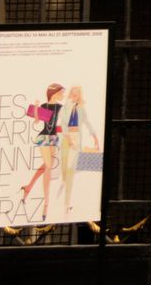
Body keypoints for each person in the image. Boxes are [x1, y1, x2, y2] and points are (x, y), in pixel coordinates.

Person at [19, 84, 64, 219]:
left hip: (54, 138)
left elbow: (62, 125)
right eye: (61, 92)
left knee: (46, 165)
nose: (63, 95)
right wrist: (36, 108)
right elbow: (37, 121)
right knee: (48, 166)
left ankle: (28, 187)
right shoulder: (44, 106)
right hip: (44, 137)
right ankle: (46, 203)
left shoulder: (61, 107)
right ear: (54, 93)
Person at [57, 85, 102, 214]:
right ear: (70, 94)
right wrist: (68, 139)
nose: (75, 96)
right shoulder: (65, 108)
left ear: (79, 96)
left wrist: (95, 137)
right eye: (73, 93)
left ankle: (67, 203)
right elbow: (63, 124)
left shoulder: (81, 109)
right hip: (66, 138)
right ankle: (64, 180)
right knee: (64, 165)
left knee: (70, 169)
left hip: (76, 137)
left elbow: (87, 123)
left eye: (77, 94)